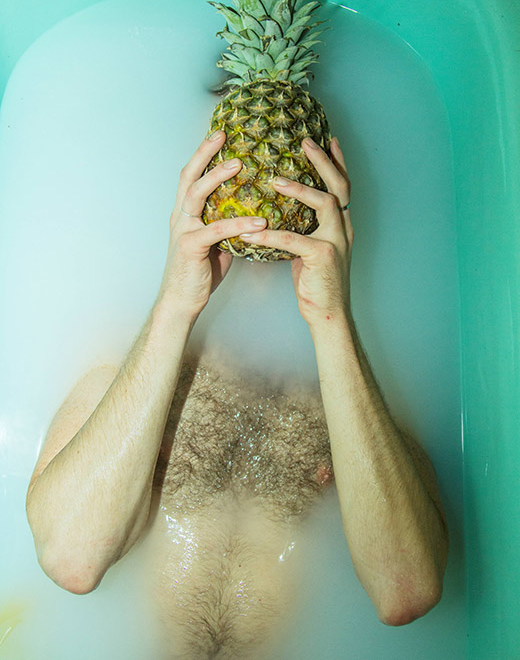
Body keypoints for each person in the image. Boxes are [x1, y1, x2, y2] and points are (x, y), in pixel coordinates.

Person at [25, 130, 449, 659]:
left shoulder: (354, 394)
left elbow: (405, 590)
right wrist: (175, 305)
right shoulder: (128, 364)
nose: (262, 189)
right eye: (239, 161)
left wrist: (331, 316)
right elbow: (71, 560)